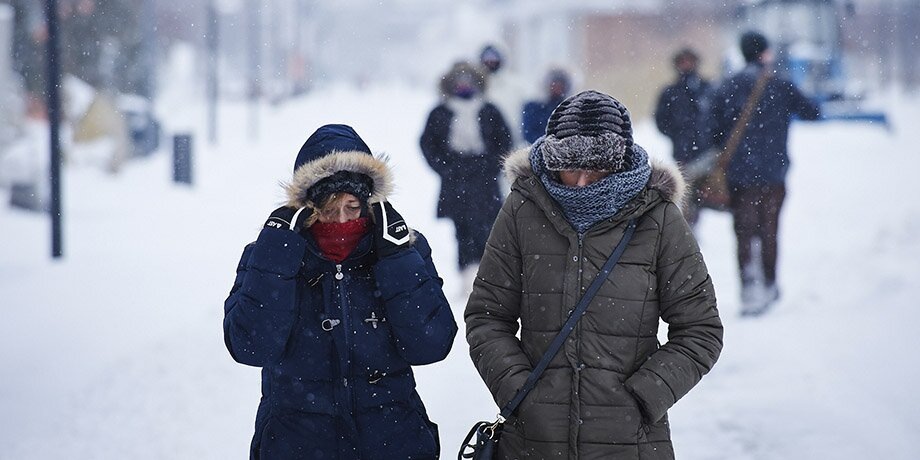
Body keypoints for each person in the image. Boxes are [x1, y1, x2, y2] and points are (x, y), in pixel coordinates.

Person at [465, 90, 723, 459]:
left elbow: (701, 329)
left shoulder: (660, 218)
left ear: (619, 164)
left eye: (596, 168)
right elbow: (487, 317)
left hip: (630, 444)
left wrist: (643, 397)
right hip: (534, 441)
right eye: (571, 167)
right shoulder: (522, 209)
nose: (582, 182)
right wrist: (519, 391)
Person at [224, 124, 457, 459]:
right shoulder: (271, 254)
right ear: (306, 209)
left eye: (352, 206)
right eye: (329, 209)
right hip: (297, 444)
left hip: (393, 442)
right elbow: (250, 347)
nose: (342, 221)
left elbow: (431, 344)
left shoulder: (401, 250)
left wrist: (397, 259)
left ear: (370, 204)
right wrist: (276, 254)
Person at [708, 31, 820, 316]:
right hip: (773, 174)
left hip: (739, 176)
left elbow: (710, 130)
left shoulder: (728, 86)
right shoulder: (780, 85)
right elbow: (812, 111)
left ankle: (749, 289)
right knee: (769, 230)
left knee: (744, 232)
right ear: (765, 54)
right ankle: (769, 285)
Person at [420, 61, 512, 292]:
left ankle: (488, 276)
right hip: (455, 180)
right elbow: (428, 145)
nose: (464, 86)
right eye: (459, 82)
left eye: (468, 81)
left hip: (484, 181)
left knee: (489, 229)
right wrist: (447, 168)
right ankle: (466, 276)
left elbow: (505, 142)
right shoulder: (440, 112)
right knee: (462, 231)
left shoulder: (490, 110)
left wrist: (491, 166)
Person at [654, 47, 712, 227]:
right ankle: (689, 226)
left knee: (706, 191)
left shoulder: (707, 88)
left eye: (689, 61)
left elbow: (717, 116)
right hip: (683, 151)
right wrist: (677, 134)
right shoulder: (670, 92)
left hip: (707, 152)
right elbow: (661, 120)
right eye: (683, 61)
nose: (686, 65)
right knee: (687, 193)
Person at [479, 44, 526, 147]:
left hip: (514, 142)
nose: (490, 62)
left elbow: (522, 116)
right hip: (486, 146)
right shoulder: (477, 88)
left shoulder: (515, 86)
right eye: (487, 59)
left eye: (494, 59)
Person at [521, 68, 571, 144]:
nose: (557, 88)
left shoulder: (569, 107)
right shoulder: (533, 107)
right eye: (555, 84)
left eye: (561, 85)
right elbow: (528, 133)